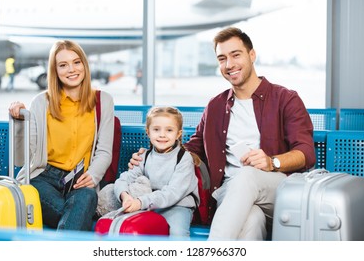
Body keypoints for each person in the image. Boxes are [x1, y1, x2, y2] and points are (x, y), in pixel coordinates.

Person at [129, 27, 316, 240]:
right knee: (252, 220)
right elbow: (192, 148)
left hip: (276, 192)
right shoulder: (216, 106)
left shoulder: (285, 99)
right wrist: (153, 156)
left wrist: (272, 162)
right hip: (229, 196)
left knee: (246, 175)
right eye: (222, 58)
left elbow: (306, 152)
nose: (229, 65)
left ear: (252, 55)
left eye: (236, 55)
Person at [9, 40, 114, 231]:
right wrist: (19, 124)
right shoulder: (41, 102)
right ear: (54, 70)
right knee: (77, 213)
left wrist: (94, 174)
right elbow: (20, 160)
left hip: (81, 179)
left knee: (87, 197)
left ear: (84, 64)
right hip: (43, 177)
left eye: (76, 62)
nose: (71, 69)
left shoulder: (103, 101)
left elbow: (105, 151)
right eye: (63, 65)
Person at [116, 106, 200, 237]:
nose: (162, 134)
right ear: (148, 132)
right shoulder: (143, 156)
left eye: (169, 130)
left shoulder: (184, 159)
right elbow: (124, 179)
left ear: (178, 134)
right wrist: (124, 195)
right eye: (156, 129)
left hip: (178, 206)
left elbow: (172, 193)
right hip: (149, 204)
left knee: (177, 233)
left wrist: (140, 202)